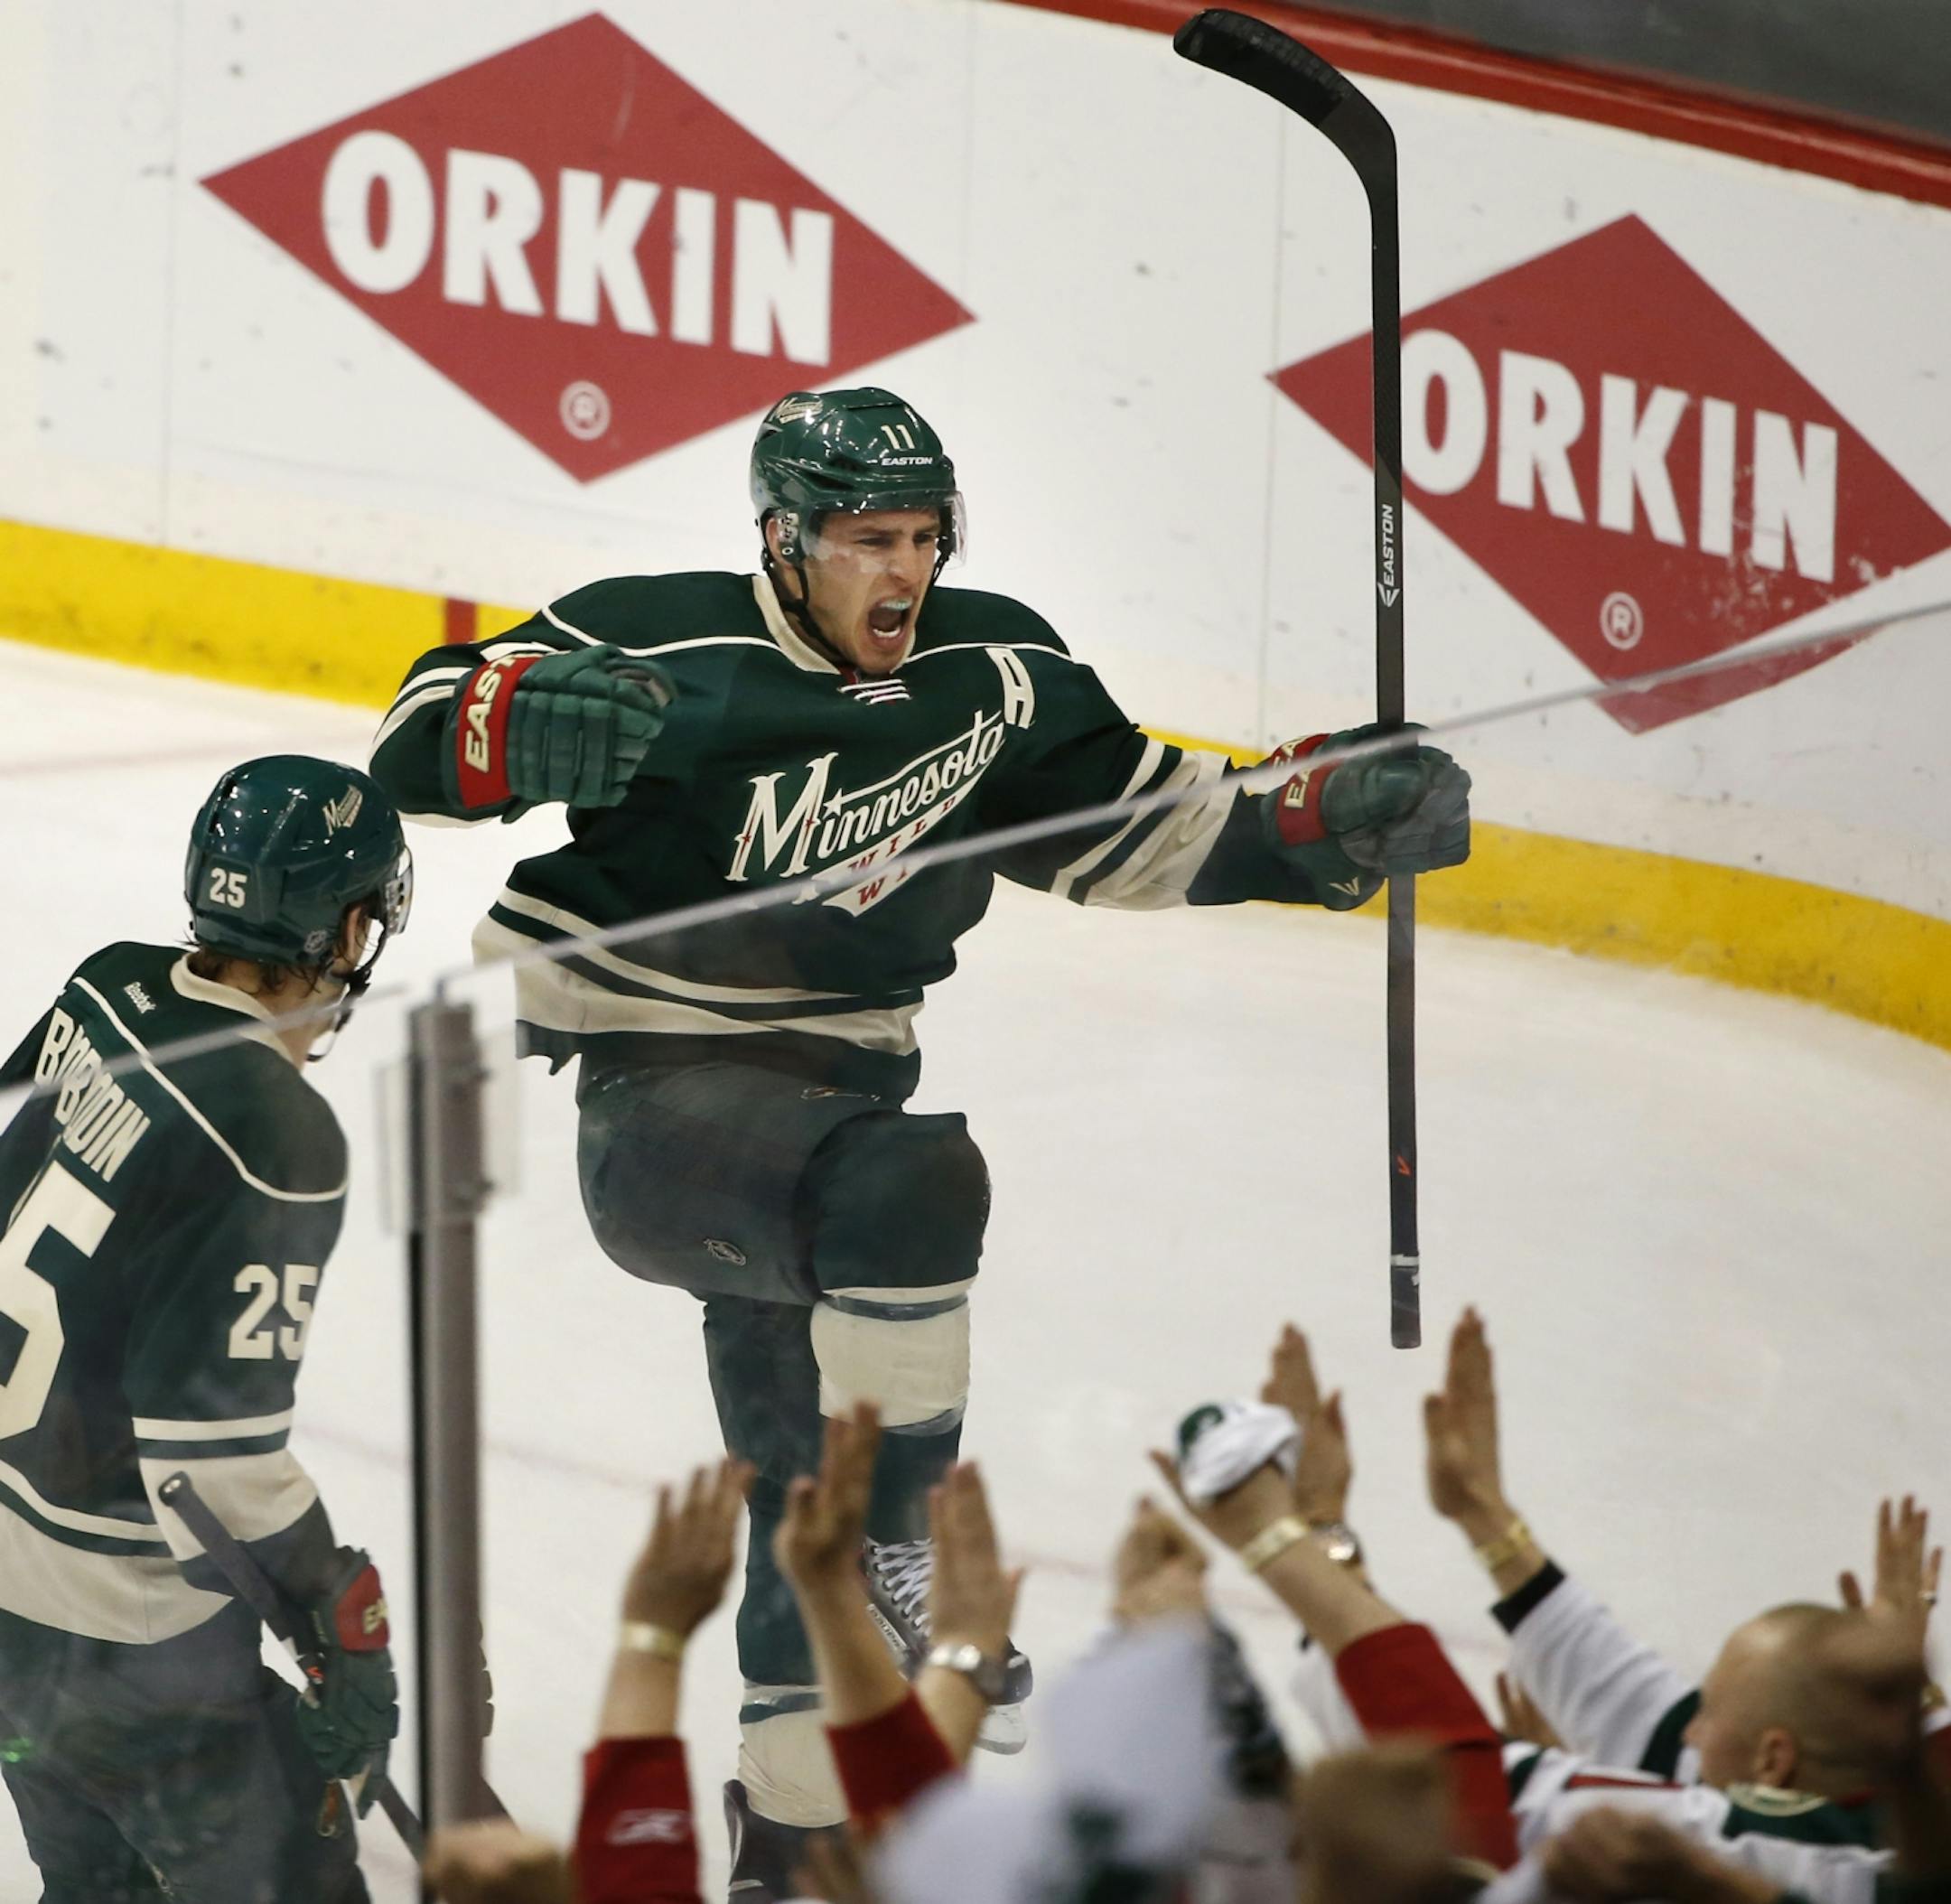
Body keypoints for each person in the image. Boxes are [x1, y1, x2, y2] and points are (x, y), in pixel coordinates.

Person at [369, 383, 1472, 1876]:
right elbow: (414, 738)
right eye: (865, 538)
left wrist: (1318, 818)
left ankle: (790, 1839)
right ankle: (902, 1549)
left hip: (828, 1113)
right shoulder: (661, 641)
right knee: (911, 1189)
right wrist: (499, 726)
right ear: (782, 538)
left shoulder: (994, 667)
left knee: (793, 1508)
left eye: (922, 537)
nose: (902, 571)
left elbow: (1141, 827)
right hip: (660, 1106)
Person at [0, 756, 414, 1901]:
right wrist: (333, 1608)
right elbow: (208, 1459)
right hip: (131, 1643)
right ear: (344, 926)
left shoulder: (107, 988)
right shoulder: (273, 1128)